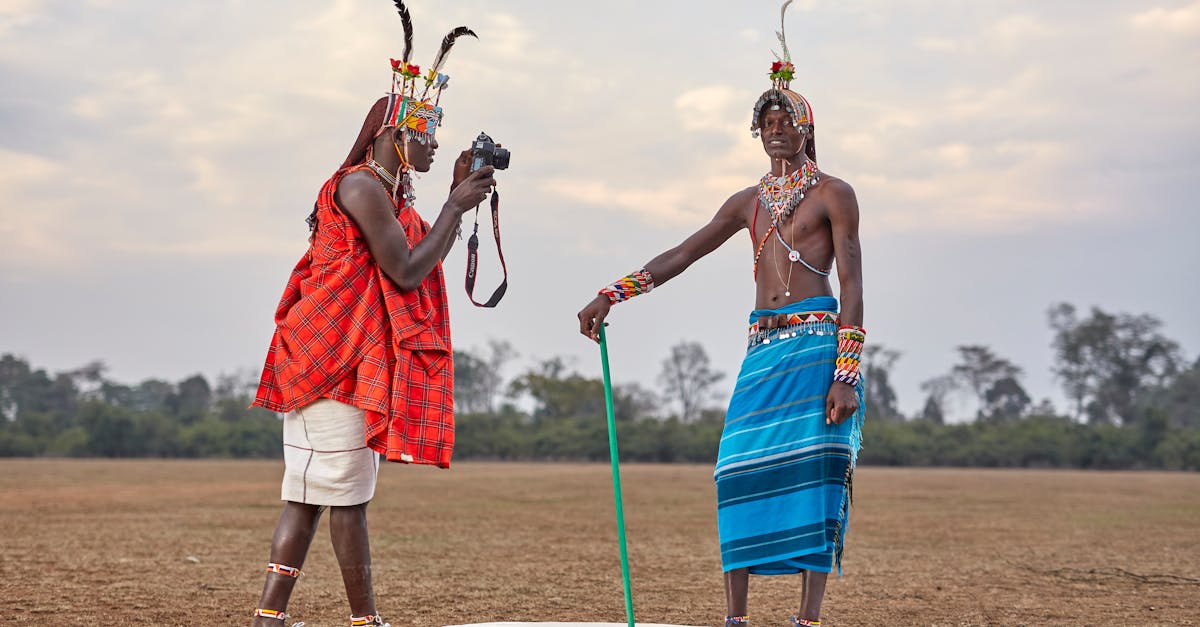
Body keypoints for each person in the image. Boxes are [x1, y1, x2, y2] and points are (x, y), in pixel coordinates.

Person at [575, 4, 865, 626]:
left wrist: (847, 373)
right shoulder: (745, 202)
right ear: (757, 133)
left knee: (815, 477)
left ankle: (806, 620)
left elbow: (853, 283)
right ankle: (735, 618)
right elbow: (684, 252)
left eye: (788, 119)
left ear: (808, 128)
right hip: (763, 352)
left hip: (818, 347)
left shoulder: (834, 194)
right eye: (767, 121)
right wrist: (614, 292)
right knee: (736, 472)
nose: (777, 128)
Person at [247, 3, 495, 625]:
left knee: (315, 496)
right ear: (399, 131)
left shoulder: (386, 193)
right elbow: (406, 270)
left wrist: (453, 200)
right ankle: (359, 621)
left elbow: (417, 252)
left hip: (343, 362)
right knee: (337, 498)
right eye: (428, 133)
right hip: (333, 361)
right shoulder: (360, 186)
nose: (435, 144)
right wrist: (456, 207)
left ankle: (271, 618)